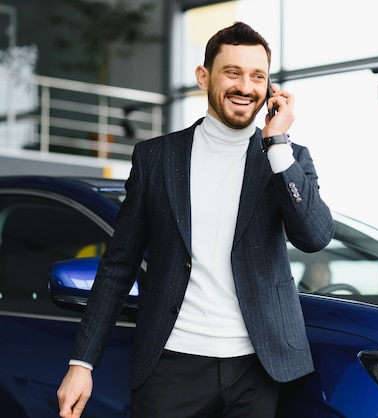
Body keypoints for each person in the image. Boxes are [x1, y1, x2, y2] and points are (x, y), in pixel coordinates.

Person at [57, 21, 334, 418]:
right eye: (232, 72)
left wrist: (276, 143)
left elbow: (315, 236)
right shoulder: (155, 159)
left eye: (258, 76)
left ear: (271, 89)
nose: (245, 86)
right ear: (204, 76)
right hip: (171, 365)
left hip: (259, 370)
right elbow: (119, 264)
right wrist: (81, 364)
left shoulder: (287, 159)